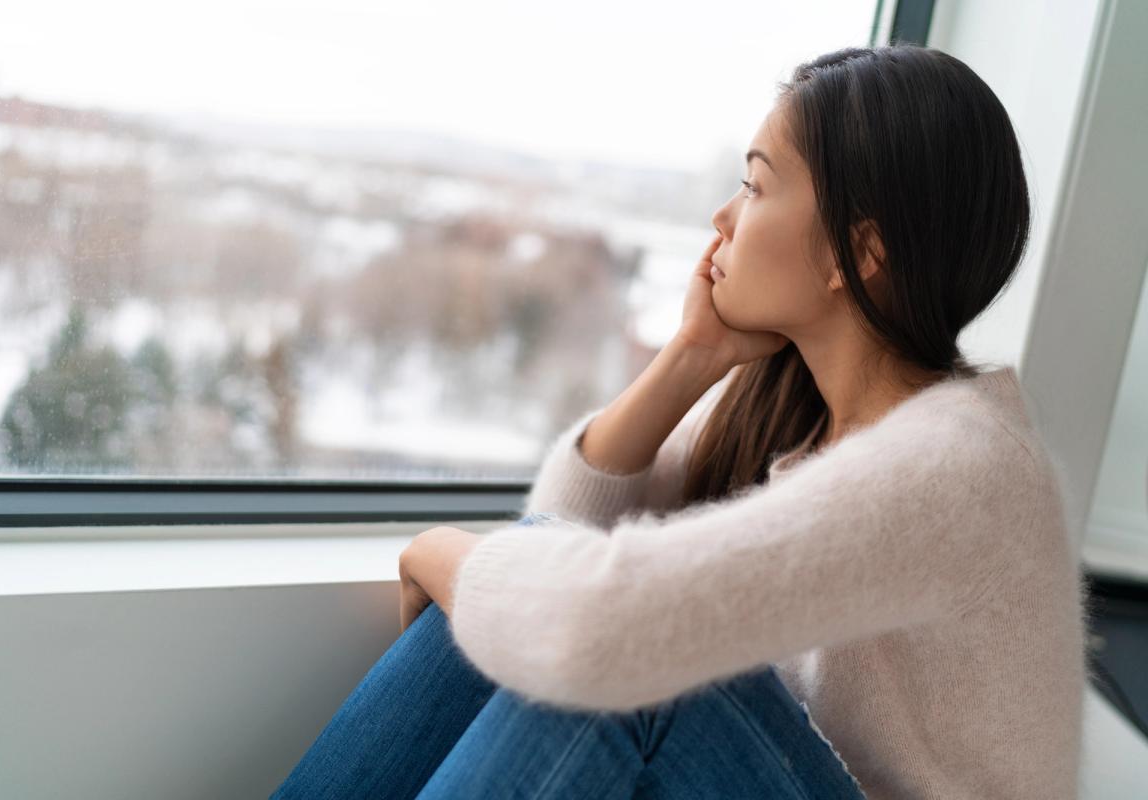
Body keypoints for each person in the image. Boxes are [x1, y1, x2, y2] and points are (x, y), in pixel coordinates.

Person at [273, 43, 1088, 799]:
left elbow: (595, 626)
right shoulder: (808, 416)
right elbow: (566, 520)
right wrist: (693, 353)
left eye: (757, 185)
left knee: (622, 665)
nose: (721, 219)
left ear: (859, 253)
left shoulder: (960, 465)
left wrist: (440, 553)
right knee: (517, 606)